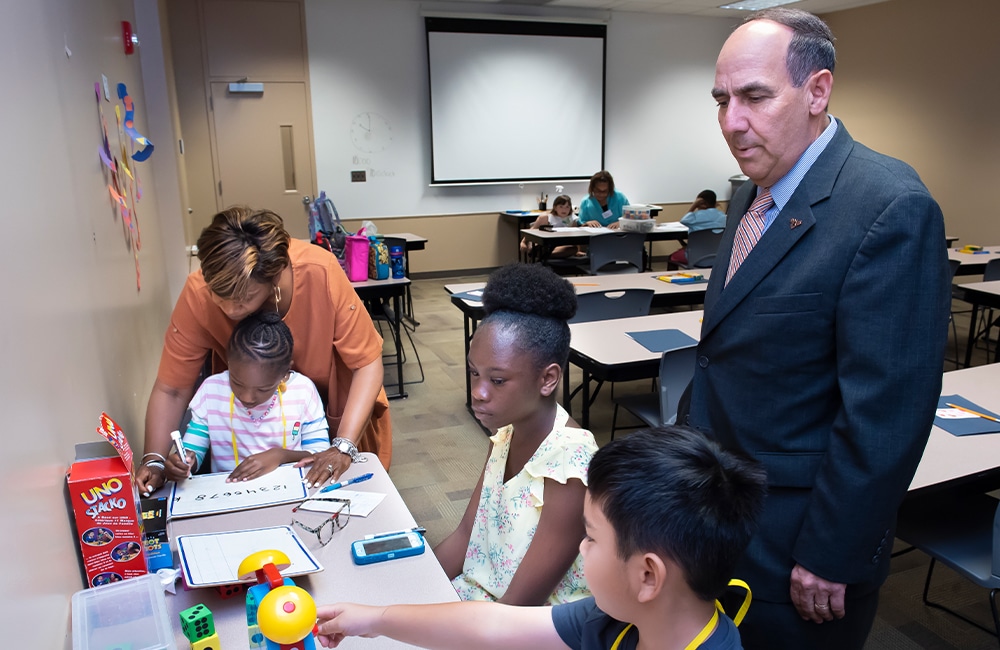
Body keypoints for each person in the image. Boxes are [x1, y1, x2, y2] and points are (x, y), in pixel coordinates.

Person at [680, 8, 951, 649]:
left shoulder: (890, 207)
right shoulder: (753, 189)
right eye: (721, 100)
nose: (731, 123)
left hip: (800, 541)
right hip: (722, 510)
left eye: (754, 97)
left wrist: (835, 550)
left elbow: (886, 411)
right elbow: (727, 351)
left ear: (817, 91)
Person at [312, 426, 767, 650]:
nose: (581, 548)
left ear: (648, 575)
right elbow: (491, 625)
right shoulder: (624, 614)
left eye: (590, 538)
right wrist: (370, 618)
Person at [136, 206, 391, 496]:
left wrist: (343, 443)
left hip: (339, 410)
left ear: (274, 280)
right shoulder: (199, 292)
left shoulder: (320, 271)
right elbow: (171, 388)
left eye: (244, 299)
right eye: (220, 299)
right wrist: (154, 460)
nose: (231, 310)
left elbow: (367, 363)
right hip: (253, 421)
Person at [433, 263, 597, 605]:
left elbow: (520, 606)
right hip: (482, 604)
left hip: (527, 626)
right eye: (474, 373)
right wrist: (413, 588)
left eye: (497, 380)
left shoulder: (571, 464)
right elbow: (466, 535)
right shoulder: (507, 432)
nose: (478, 392)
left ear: (548, 379)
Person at [168, 311, 330, 480]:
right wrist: (182, 464)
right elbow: (192, 452)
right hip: (229, 497)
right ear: (229, 362)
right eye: (237, 383)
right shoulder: (212, 391)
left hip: (288, 495)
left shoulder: (303, 391)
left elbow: (320, 454)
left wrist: (280, 456)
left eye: (262, 390)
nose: (247, 397)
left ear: (284, 373)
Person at [668, 190, 727, 268]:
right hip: (717, 258)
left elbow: (683, 220)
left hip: (695, 258)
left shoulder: (695, 217)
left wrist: (694, 205)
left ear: (702, 204)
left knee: (671, 257)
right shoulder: (723, 216)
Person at [519, 194, 580, 259]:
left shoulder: (573, 219)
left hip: (561, 245)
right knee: (544, 248)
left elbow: (575, 239)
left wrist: (578, 251)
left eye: (567, 207)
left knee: (573, 249)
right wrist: (523, 242)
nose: (564, 210)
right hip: (547, 244)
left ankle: (544, 255)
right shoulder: (546, 217)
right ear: (555, 207)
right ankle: (542, 253)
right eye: (561, 207)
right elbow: (532, 230)